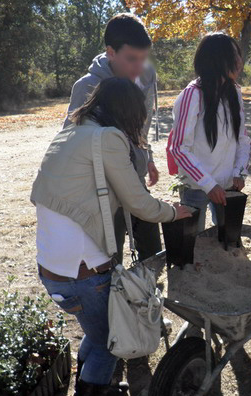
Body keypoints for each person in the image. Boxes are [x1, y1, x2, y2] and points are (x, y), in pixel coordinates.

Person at [31, 77, 191, 396]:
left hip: (52, 267)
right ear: (127, 112)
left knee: (95, 332)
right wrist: (173, 212)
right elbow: (139, 202)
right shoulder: (108, 138)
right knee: (108, 343)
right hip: (84, 272)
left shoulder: (70, 133)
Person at [64, 13, 162, 262]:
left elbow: (142, 126)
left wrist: (146, 156)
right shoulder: (86, 87)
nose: (139, 67)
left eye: (144, 58)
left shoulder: (146, 77)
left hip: (134, 176)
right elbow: (69, 143)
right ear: (110, 52)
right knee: (111, 260)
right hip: (102, 190)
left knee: (153, 251)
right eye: (131, 59)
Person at [168, 32, 251, 231]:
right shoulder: (192, 95)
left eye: (238, 54)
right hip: (196, 188)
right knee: (192, 242)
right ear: (216, 60)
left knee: (226, 239)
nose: (240, 61)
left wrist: (239, 172)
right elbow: (179, 148)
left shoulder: (234, 92)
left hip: (227, 187)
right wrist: (209, 184)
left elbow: (243, 139)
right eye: (234, 55)